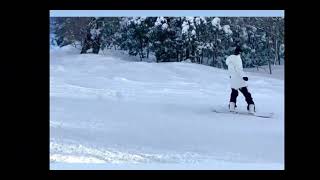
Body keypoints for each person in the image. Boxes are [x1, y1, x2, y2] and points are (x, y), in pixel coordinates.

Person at [225, 46, 255, 114]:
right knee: (246, 93)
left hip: (233, 80)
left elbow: (231, 70)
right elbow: (239, 70)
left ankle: (232, 107)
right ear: (239, 52)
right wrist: (244, 76)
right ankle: (251, 107)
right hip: (239, 79)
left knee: (234, 93)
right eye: (240, 52)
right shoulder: (237, 59)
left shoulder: (230, 59)